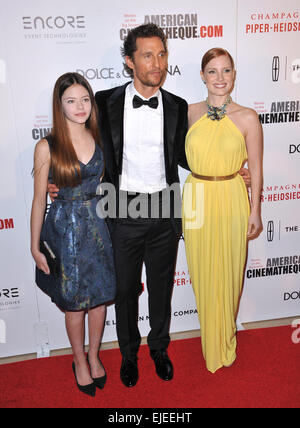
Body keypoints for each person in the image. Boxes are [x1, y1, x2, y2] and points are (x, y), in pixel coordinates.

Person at [48, 25, 251, 387]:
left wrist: (230, 171)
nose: (156, 62)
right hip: (121, 210)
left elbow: (189, 156)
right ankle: (129, 354)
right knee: (125, 291)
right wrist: (58, 177)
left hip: (164, 209)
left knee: (161, 288)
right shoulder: (105, 104)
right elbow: (76, 140)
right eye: (146, 55)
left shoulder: (176, 106)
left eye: (161, 54)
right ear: (129, 60)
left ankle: (159, 347)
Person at [30, 72, 116, 396]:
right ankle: (79, 361)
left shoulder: (101, 138)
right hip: (65, 231)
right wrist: (34, 247)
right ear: (60, 105)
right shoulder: (46, 146)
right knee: (75, 305)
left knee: (98, 301)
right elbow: (39, 200)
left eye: (84, 99)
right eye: (71, 101)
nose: (79, 106)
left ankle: (94, 356)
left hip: (98, 228)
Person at [182, 48, 263, 373]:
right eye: (212, 71)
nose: (219, 78)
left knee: (229, 274)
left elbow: (256, 169)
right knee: (203, 273)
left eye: (226, 71)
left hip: (231, 196)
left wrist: (255, 210)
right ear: (202, 75)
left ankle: (225, 339)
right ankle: (210, 340)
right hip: (197, 196)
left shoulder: (248, 117)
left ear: (234, 75)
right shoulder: (187, 113)